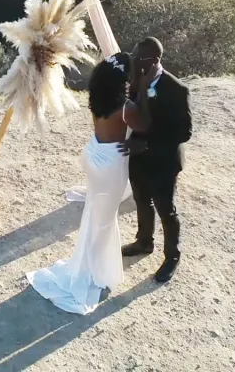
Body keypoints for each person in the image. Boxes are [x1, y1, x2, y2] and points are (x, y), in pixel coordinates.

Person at [26, 52, 135, 314]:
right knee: (104, 221)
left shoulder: (99, 97)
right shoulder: (128, 108)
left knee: (94, 216)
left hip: (93, 155)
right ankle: (94, 273)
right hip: (111, 163)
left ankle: (93, 266)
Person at [118, 37, 193, 283]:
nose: (135, 61)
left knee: (166, 209)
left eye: (140, 57)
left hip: (163, 161)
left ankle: (172, 256)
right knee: (141, 201)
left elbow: (184, 133)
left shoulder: (176, 89)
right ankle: (143, 242)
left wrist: (148, 143)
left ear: (155, 60)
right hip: (139, 157)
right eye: (134, 55)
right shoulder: (136, 79)